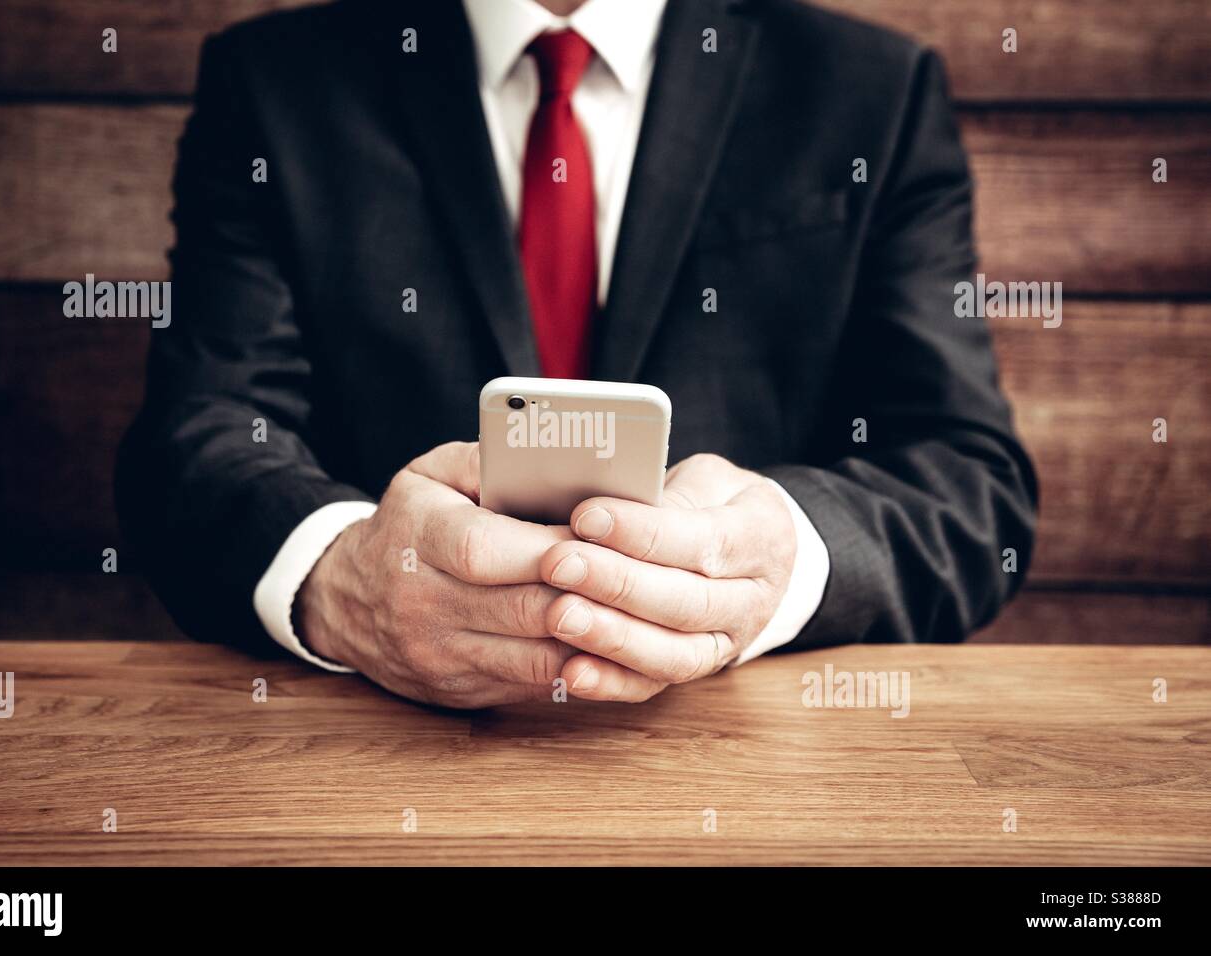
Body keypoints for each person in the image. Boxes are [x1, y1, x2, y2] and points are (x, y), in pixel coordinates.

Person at [117, 0, 1037, 707]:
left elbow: (969, 480)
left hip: (749, 765)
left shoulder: (868, 92)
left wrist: (781, 561)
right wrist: (343, 577)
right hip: (375, 754)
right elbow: (200, 437)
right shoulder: (277, 84)